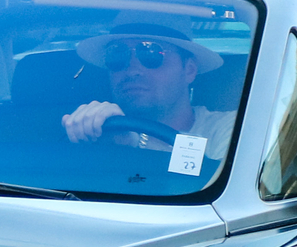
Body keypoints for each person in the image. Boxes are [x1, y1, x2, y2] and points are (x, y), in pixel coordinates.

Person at [60, 22, 233, 165]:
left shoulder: (230, 128)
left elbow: (217, 181)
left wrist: (134, 142)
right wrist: (84, 133)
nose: (132, 70)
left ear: (189, 70)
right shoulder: (96, 133)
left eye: (151, 54)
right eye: (117, 56)